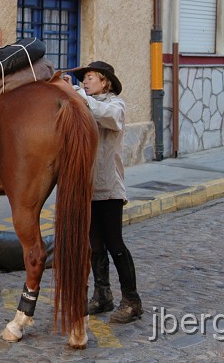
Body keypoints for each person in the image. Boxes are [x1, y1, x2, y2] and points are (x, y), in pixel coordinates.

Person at [62, 61, 143, 323]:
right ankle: (103, 295)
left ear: (105, 82)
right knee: (94, 246)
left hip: (108, 187)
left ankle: (131, 300)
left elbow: (109, 118)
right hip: (87, 188)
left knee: (115, 244)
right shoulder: (83, 102)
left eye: (91, 78)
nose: (85, 82)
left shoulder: (114, 104)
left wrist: (80, 96)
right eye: (84, 79)